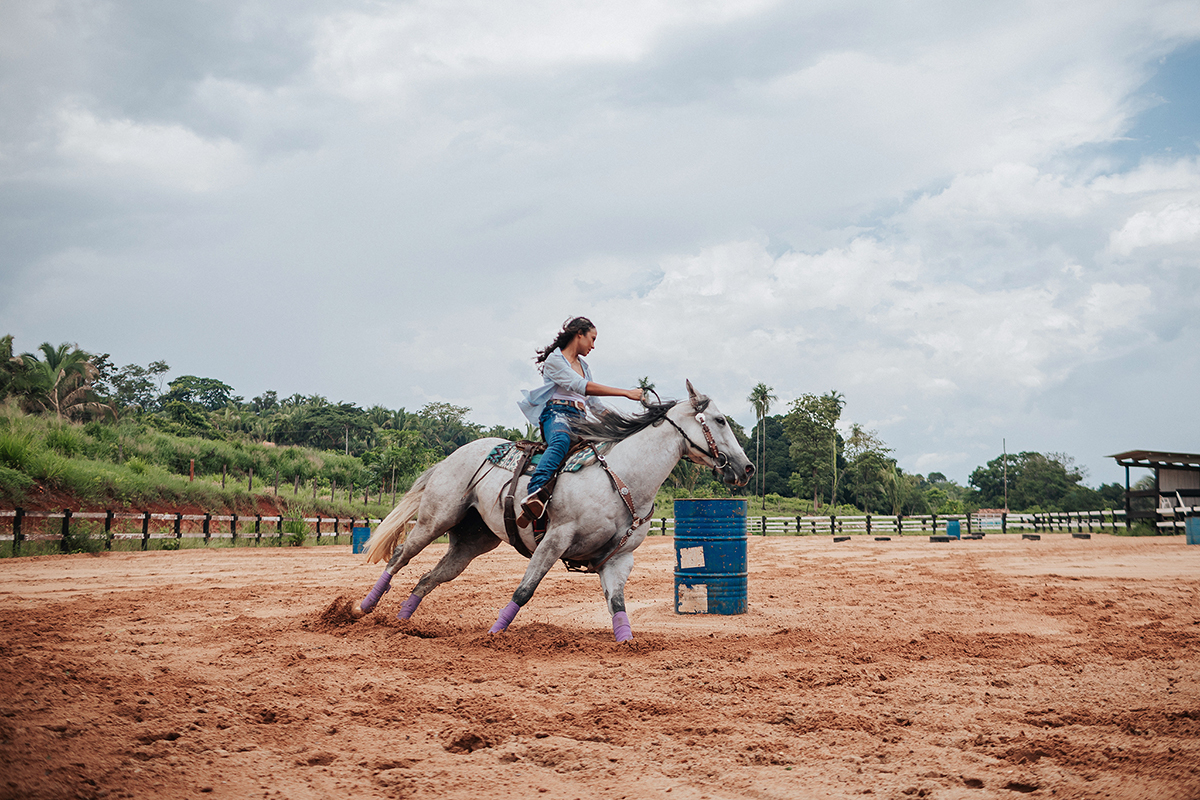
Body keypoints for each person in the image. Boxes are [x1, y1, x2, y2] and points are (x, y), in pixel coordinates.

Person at [516, 316, 644, 526]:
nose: (593, 346)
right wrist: (625, 393)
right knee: (560, 441)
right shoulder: (555, 361)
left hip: (581, 418)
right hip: (557, 414)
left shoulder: (584, 365)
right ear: (579, 334)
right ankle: (534, 495)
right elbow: (581, 386)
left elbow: (595, 405)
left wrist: (623, 426)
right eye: (592, 339)